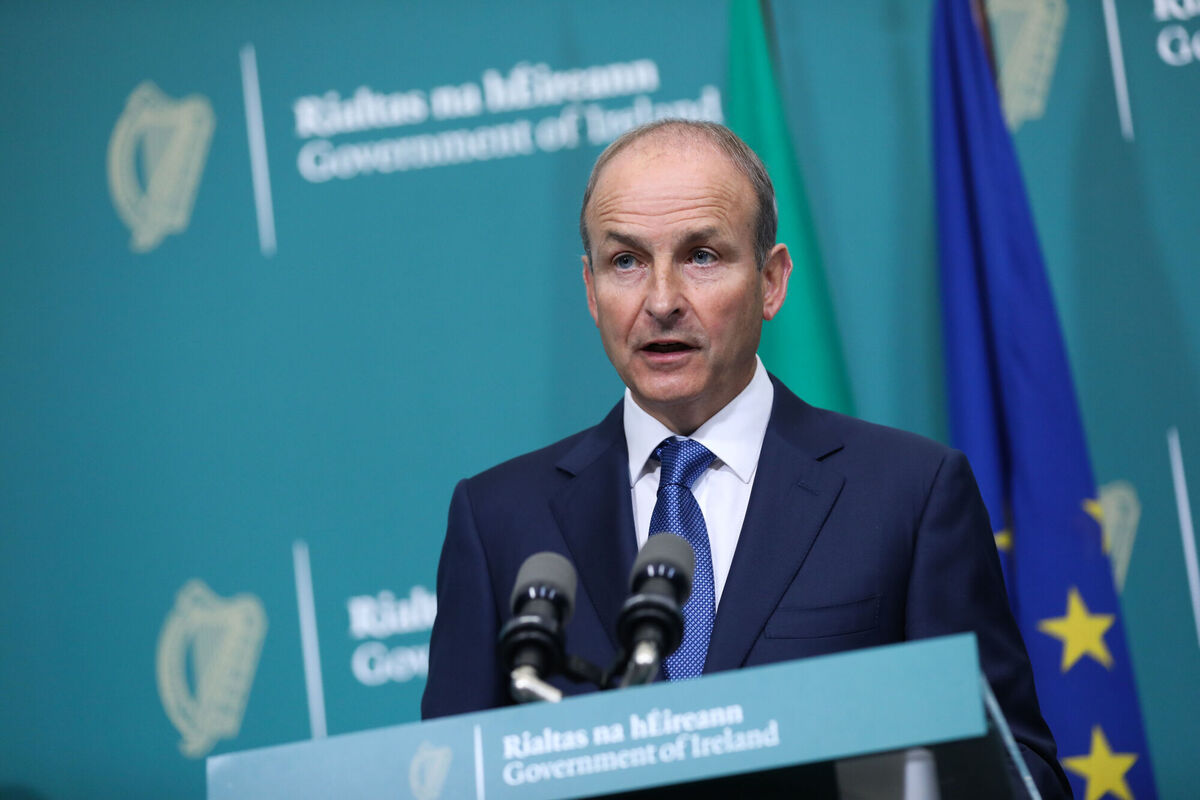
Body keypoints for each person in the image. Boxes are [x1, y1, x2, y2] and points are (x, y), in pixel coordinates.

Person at [421, 119, 1070, 797]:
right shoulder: (499, 521)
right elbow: (447, 780)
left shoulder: (908, 495)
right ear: (590, 290)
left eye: (701, 255)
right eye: (626, 262)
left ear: (771, 280)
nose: (662, 301)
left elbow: (1025, 778)